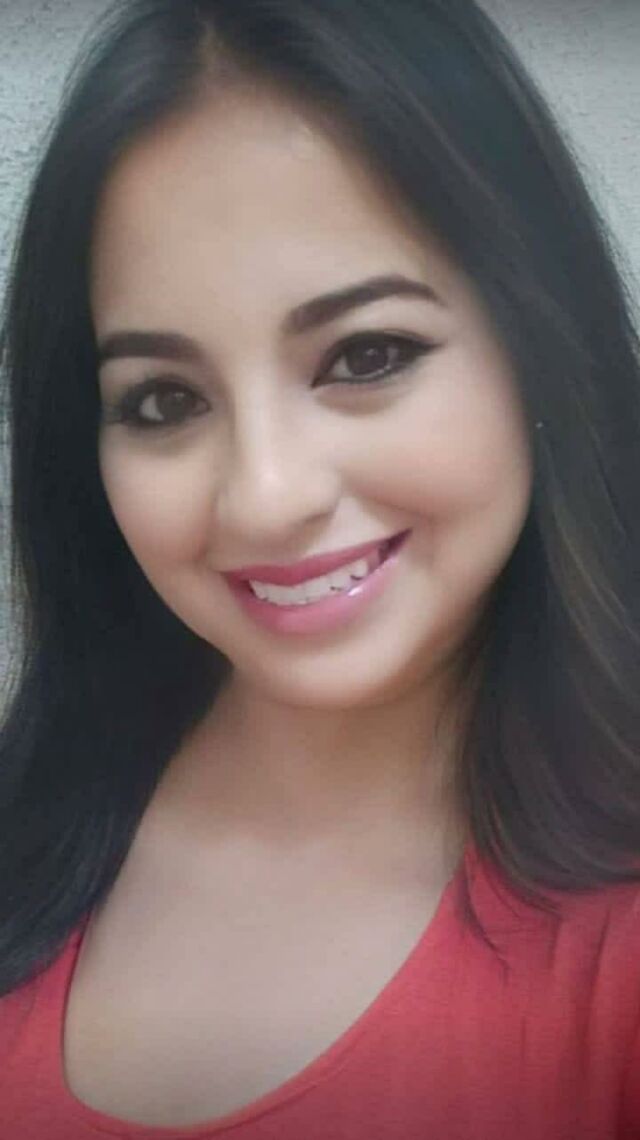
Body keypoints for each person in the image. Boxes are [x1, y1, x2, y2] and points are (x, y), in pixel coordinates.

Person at [1, 0, 639, 1135]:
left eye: (367, 354)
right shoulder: (37, 817)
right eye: (164, 401)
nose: (264, 495)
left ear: (538, 348)